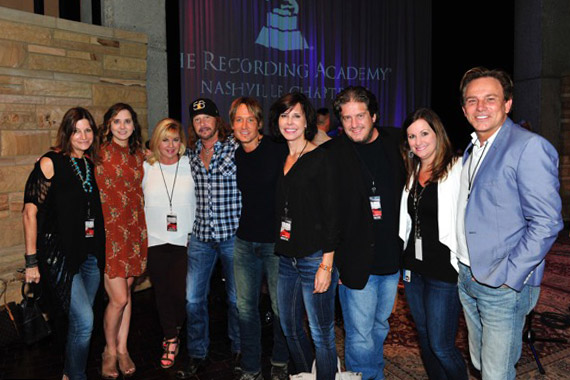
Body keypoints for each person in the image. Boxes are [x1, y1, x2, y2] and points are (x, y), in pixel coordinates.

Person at [456, 67, 563, 379]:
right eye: (472, 101)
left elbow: (546, 222)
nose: (480, 107)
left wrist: (510, 275)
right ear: (464, 109)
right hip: (467, 276)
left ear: (507, 104)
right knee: (479, 363)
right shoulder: (473, 147)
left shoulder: (528, 147)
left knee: (496, 373)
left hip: (503, 284)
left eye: (490, 99)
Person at [324, 86, 405, 380]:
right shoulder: (332, 153)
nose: (354, 124)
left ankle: (372, 372)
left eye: (360, 116)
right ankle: (368, 376)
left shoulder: (398, 143)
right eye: (347, 118)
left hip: (392, 259)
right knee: (359, 333)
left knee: (379, 326)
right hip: (356, 262)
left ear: (374, 116)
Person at [23, 107, 105, 380]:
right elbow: (30, 212)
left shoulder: (90, 164)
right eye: (76, 130)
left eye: (88, 130)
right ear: (67, 133)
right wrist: (31, 261)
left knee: (80, 321)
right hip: (59, 254)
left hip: (90, 253)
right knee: (85, 321)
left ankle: (69, 373)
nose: (83, 136)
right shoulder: (50, 161)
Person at [269, 92, 339, 380]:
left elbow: (334, 215)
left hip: (314, 259)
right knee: (289, 326)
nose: (289, 121)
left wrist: (326, 264)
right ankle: (305, 374)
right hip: (287, 259)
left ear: (307, 120)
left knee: (321, 334)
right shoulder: (283, 156)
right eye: (284, 115)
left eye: (296, 115)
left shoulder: (321, 158)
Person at [398, 108, 467, 380]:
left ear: (438, 133)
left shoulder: (457, 168)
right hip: (414, 270)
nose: (418, 141)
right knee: (425, 339)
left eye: (424, 133)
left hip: (443, 271)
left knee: (441, 345)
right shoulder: (413, 170)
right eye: (412, 136)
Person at [177, 98, 241, 379]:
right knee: (192, 299)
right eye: (197, 120)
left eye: (207, 118)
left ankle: (240, 351)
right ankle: (197, 353)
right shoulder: (188, 156)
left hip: (233, 237)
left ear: (217, 120)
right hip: (201, 237)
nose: (202, 123)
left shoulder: (236, 149)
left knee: (238, 300)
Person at [229, 97, 290, 380]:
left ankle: (280, 360)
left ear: (259, 123)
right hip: (244, 242)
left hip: (274, 243)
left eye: (249, 119)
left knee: (280, 308)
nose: (244, 125)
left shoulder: (277, 149)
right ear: (232, 125)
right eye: (238, 120)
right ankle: (251, 366)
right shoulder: (236, 154)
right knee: (245, 310)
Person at [95, 103, 148, 379]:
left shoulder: (140, 154)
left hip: (134, 231)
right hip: (109, 234)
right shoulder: (98, 154)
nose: (123, 126)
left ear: (133, 125)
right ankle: (109, 351)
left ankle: (123, 347)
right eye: (117, 121)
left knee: (128, 296)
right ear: (108, 125)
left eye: (127, 121)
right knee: (118, 298)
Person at [142, 118, 196, 369]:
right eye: (165, 139)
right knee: (162, 293)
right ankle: (171, 338)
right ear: (156, 141)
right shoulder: (145, 168)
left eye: (175, 139)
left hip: (184, 240)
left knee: (183, 294)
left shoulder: (190, 164)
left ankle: (175, 327)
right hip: (155, 240)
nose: (171, 145)